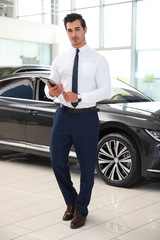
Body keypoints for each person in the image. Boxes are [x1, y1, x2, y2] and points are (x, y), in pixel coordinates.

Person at [45, 13, 111, 229]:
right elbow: (50, 89)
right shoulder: (60, 59)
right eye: (69, 30)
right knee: (56, 161)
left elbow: (105, 89)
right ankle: (71, 200)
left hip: (86, 117)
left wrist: (80, 97)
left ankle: (81, 209)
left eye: (77, 29)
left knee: (87, 165)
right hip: (63, 115)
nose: (73, 34)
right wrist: (52, 91)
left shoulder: (98, 59)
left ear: (85, 29)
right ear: (66, 32)